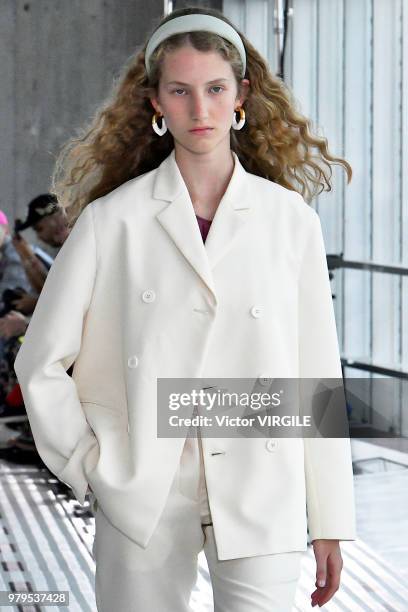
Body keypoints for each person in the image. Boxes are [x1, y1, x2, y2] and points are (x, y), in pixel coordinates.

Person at [14, 6, 357, 611]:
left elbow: (315, 374)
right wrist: (93, 464)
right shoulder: (110, 222)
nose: (200, 110)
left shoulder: (290, 222)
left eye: (215, 89)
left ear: (241, 95)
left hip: (261, 480)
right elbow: (39, 361)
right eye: (181, 91)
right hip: (143, 484)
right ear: (156, 102)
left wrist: (330, 516)